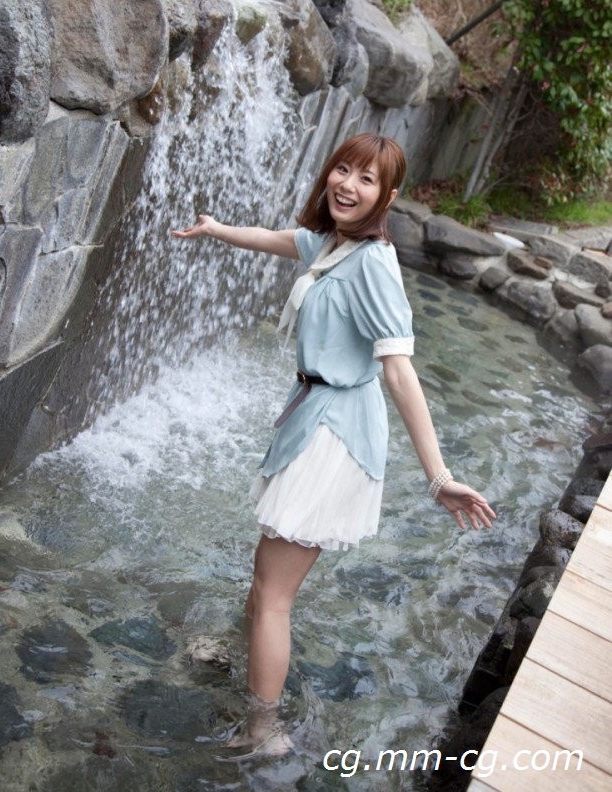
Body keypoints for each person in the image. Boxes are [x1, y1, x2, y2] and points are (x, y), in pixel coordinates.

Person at [172, 132, 496, 757]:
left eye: (367, 179)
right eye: (343, 170)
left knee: (275, 595)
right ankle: (246, 668)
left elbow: (399, 372)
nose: (348, 185)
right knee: (266, 577)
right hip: (314, 414)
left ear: (388, 197)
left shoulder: (373, 263)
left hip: (336, 433)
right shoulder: (332, 243)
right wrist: (215, 229)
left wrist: (437, 476)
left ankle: (265, 732)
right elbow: (277, 240)